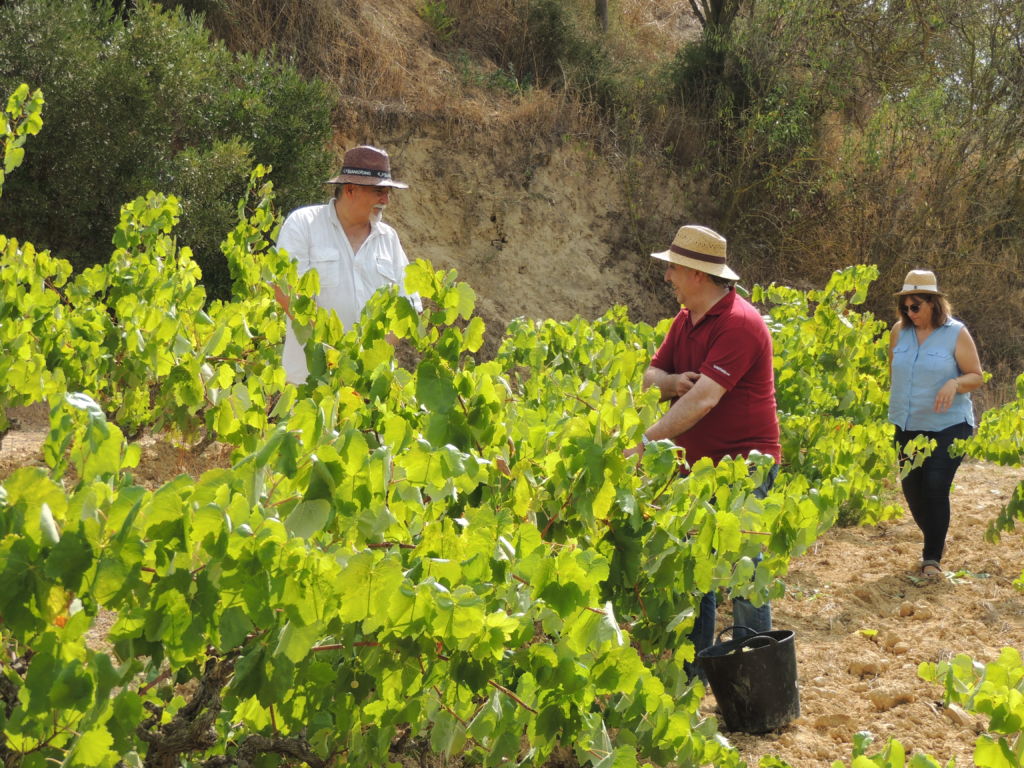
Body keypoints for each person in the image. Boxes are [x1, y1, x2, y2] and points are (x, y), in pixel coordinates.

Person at [625, 224, 781, 670]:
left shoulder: (740, 324)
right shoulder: (684, 321)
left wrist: (646, 441)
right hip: (695, 466)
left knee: (743, 569)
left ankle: (755, 671)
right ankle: (697, 670)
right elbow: (650, 379)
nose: (668, 276)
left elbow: (706, 397)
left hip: (745, 466)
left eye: (673, 267)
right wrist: (672, 380)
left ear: (697, 273)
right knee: (697, 569)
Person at [274, 145, 421, 384]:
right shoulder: (303, 224)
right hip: (310, 382)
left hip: (369, 386)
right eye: (379, 192)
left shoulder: (389, 238)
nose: (385, 200)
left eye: (387, 193)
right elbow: (286, 292)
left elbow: (409, 305)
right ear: (350, 189)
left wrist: (368, 358)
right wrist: (335, 355)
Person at [888, 269, 982, 579]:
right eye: (906, 307)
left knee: (934, 486)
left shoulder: (956, 333)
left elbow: (976, 376)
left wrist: (954, 383)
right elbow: (895, 374)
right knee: (912, 489)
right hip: (907, 424)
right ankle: (936, 537)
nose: (909, 312)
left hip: (949, 425)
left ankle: (932, 558)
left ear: (934, 304)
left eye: (916, 306)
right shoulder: (898, 332)